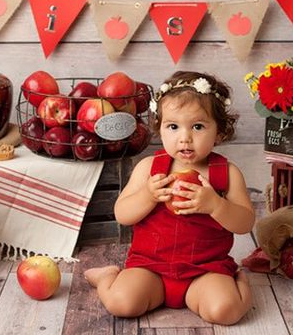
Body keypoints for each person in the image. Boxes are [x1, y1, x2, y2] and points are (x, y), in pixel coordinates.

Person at [85, 71, 254, 322]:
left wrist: (216, 205)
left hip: (205, 270)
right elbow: (122, 214)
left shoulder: (226, 173)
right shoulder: (149, 169)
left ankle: (240, 286)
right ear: (160, 130)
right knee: (122, 304)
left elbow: (245, 223)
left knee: (225, 311)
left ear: (219, 132)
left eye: (198, 126)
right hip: (150, 268)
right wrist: (148, 196)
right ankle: (107, 277)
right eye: (173, 126)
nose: (184, 137)